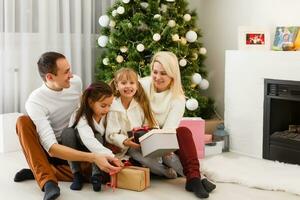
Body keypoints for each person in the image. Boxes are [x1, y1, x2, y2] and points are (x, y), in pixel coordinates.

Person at [14, 52, 122, 200]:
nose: (71, 75)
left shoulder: (75, 83)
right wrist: (93, 157)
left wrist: (99, 153)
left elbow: (82, 115)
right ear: (50, 77)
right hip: (55, 149)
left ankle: (38, 171)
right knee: (23, 122)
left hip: (76, 143)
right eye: (66, 72)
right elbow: (51, 148)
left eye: (69, 69)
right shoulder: (35, 101)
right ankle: (48, 181)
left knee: (100, 173)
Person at [139, 51, 216, 199]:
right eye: (155, 72)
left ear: (172, 75)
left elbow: (169, 129)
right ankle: (199, 178)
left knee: (183, 132)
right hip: (143, 137)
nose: (157, 77)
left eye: (163, 73)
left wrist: (165, 145)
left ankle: (193, 179)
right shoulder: (143, 85)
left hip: (162, 140)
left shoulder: (178, 98)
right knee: (172, 154)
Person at [105, 68, 178, 179]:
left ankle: (189, 173)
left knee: (168, 155)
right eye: (123, 83)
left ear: (137, 86)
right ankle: (165, 172)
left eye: (132, 83)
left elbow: (152, 123)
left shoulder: (140, 104)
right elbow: (111, 134)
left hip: (145, 141)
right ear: (116, 85)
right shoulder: (113, 107)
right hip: (127, 146)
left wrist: (159, 144)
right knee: (144, 159)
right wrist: (125, 141)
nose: (128, 86)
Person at [61, 81, 118, 192]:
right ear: (91, 102)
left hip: (96, 146)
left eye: (109, 105)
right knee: (67, 133)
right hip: (77, 147)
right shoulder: (81, 115)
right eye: (103, 106)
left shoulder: (108, 113)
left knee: (98, 136)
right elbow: (88, 140)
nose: (107, 109)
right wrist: (112, 156)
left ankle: (96, 175)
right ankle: (76, 174)